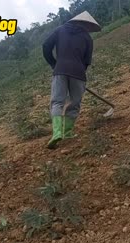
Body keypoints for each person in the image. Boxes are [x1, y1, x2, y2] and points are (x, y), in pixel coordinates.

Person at [42, 11, 101, 149]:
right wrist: (79, 75)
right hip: (78, 73)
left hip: (60, 70)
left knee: (57, 102)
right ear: (86, 24)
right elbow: (87, 61)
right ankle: (67, 132)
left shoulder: (60, 30)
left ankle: (56, 133)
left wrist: (54, 64)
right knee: (74, 103)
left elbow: (45, 46)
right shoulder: (87, 38)